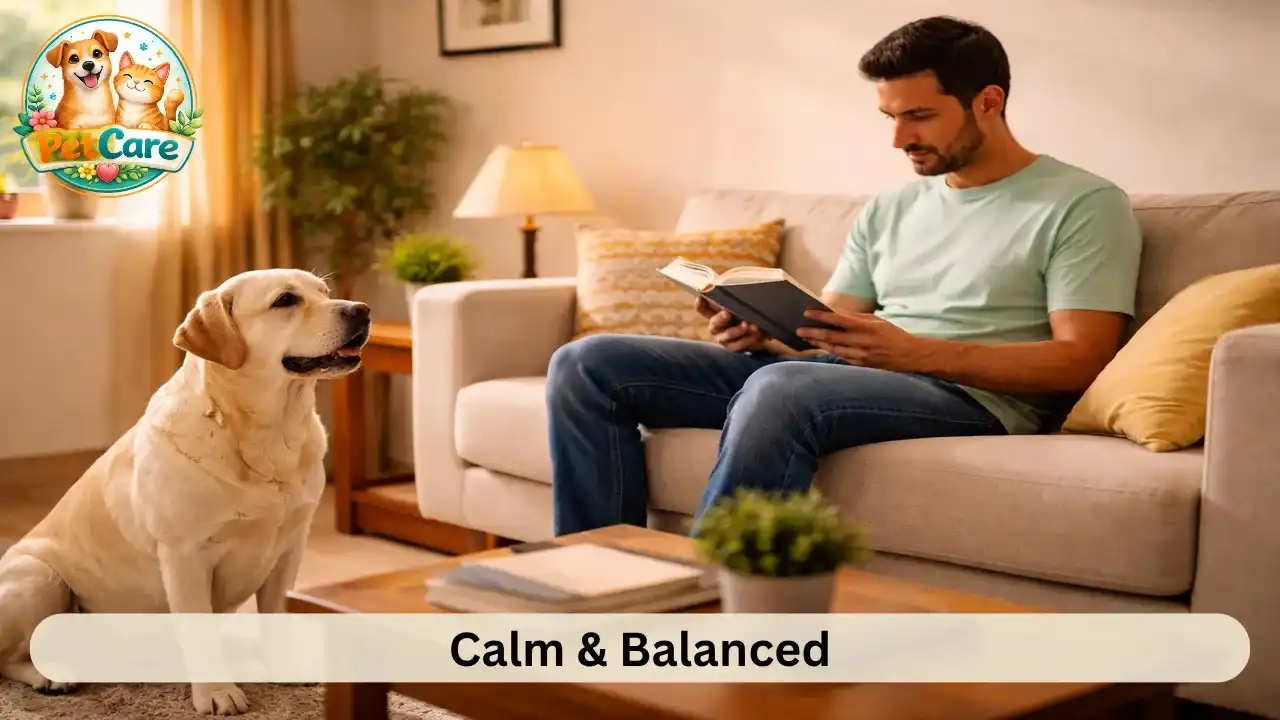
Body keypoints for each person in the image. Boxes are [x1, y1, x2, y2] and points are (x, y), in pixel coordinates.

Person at [545, 15, 1143, 536]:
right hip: (853, 374)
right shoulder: (892, 206)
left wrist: (916, 353)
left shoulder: (1082, 203)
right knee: (587, 363)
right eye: (890, 116)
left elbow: (1081, 359)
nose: (899, 139)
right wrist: (761, 329)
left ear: (988, 101)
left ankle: (713, 601)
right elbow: (825, 328)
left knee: (783, 389)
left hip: (973, 398)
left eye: (920, 116)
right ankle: (602, 572)